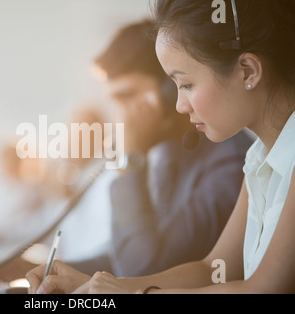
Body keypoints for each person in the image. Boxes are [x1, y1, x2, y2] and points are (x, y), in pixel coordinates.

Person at [25, 0, 295, 294]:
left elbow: (265, 289)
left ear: (247, 71)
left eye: (187, 84)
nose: (180, 105)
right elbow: (213, 269)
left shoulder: (239, 160)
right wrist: (99, 284)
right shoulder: (259, 160)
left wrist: (136, 293)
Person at [58, 18, 253, 277]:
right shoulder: (169, 156)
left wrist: (129, 161)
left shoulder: (231, 161)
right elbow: (123, 253)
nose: (119, 117)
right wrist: (54, 273)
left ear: (170, 89)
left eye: (126, 96)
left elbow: (142, 269)